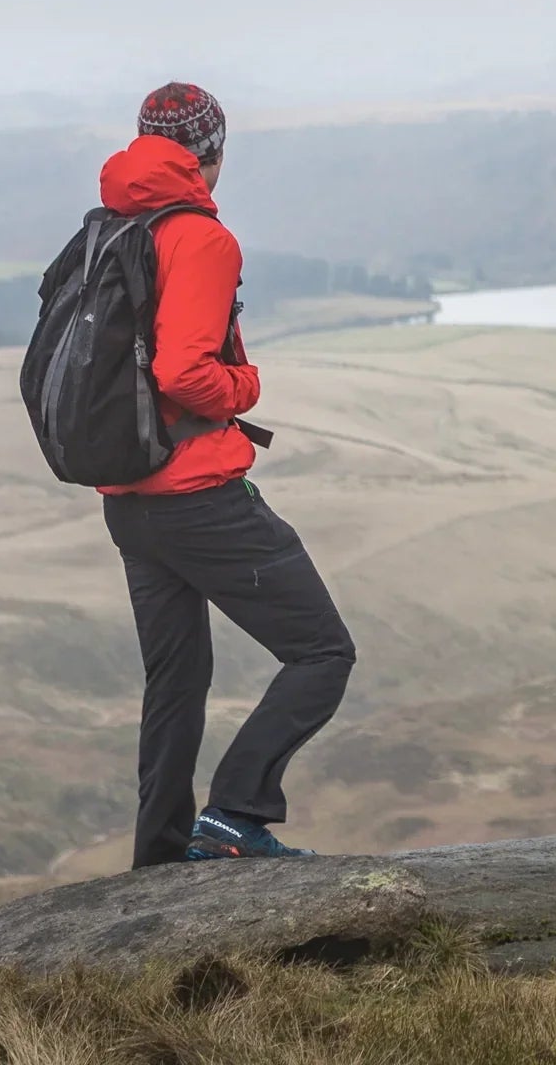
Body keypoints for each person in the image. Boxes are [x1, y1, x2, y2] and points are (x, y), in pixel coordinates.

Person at [95, 82, 358, 867]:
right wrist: (246, 389)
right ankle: (236, 813)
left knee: (176, 681)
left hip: (128, 497)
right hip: (200, 495)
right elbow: (183, 373)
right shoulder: (200, 237)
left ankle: (160, 856)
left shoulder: (111, 225)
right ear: (211, 155)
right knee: (322, 653)